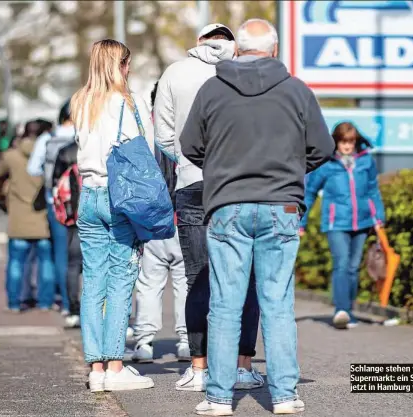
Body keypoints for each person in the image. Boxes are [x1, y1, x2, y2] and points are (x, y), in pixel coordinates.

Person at [180, 18, 334, 416]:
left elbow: (190, 145)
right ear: (275, 49)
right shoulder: (296, 90)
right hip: (281, 206)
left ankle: (218, 398)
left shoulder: (212, 89)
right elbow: (321, 147)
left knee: (225, 306)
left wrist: (221, 166)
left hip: (227, 205)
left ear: (237, 49)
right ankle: (284, 396)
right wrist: (289, 171)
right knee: (278, 303)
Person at [154, 23, 262, 392]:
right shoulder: (246, 71)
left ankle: (199, 368)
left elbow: (164, 135)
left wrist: (187, 161)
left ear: (199, 42)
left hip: (192, 183)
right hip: (240, 183)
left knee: (197, 275)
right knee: (244, 276)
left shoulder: (174, 72)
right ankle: (242, 366)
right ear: (232, 44)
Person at [71, 38, 154, 392]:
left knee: (93, 283)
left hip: (87, 196)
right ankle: (116, 366)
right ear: (117, 64)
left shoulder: (80, 101)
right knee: (121, 280)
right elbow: (140, 150)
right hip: (117, 197)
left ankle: (96, 368)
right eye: (126, 63)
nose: (129, 69)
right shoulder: (122, 102)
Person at [124, 81, 190, 363]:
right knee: (184, 283)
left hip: (149, 220)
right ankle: (187, 341)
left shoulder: (141, 132)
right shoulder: (186, 129)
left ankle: (144, 342)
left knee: (148, 284)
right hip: (184, 217)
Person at [300, 122, 385, 329]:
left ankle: (350, 310)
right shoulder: (326, 164)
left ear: (356, 141)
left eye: (350, 142)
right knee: (342, 263)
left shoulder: (366, 162)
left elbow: (373, 190)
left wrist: (379, 218)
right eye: (343, 141)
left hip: (363, 222)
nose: (347, 146)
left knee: (354, 268)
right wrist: (300, 221)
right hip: (335, 223)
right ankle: (341, 310)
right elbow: (309, 193)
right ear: (336, 141)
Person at [0, 134, 54, 312]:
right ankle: (45, 303)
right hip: (42, 219)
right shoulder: (48, 154)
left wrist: (1, 199)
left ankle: (14, 303)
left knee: (16, 263)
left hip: (18, 217)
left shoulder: (11, 157)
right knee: (46, 262)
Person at [28, 101, 76, 316]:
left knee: (61, 253)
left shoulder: (48, 138)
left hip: (56, 203)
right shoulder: (86, 134)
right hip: (85, 201)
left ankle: (67, 304)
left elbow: (32, 168)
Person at [52, 139, 82, 328]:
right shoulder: (102, 144)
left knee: (73, 265)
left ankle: (73, 309)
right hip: (100, 213)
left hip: (73, 216)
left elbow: (55, 183)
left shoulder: (66, 151)